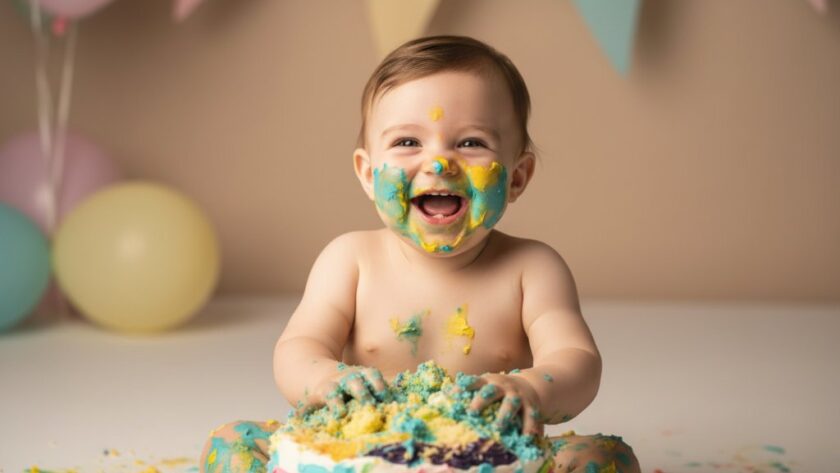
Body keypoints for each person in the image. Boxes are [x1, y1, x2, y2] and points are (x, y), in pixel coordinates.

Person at [201, 35, 641, 473]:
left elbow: (577, 362)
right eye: (408, 143)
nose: (438, 163)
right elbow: (298, 347)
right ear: (369, 174)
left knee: (606, 459)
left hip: (492, 459)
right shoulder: (350, 260)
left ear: (517, 177)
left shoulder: (532, 270)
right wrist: (324, 378)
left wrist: (531, 389)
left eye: (470, 143)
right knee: (231, 443)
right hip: (358, 457)